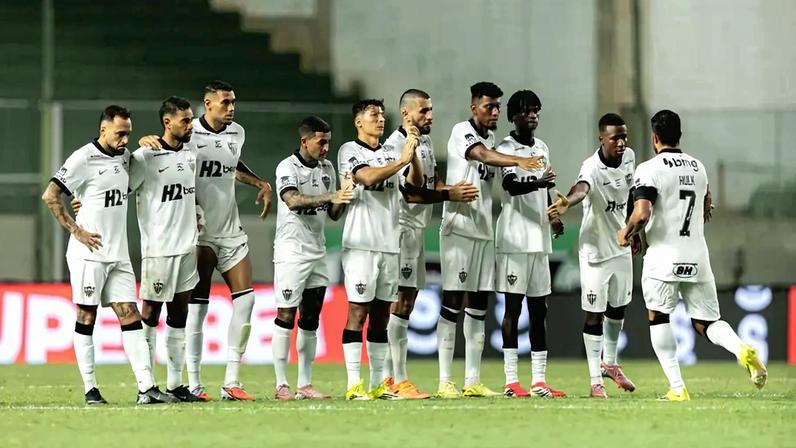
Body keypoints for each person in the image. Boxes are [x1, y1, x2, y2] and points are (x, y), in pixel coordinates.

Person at [618, 109, 767, 401]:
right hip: (697, 256)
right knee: (706, 323)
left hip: (663, 258)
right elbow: (707, 205)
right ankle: (741, 349)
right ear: (680, 136)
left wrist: (627, 232)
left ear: (654, 137)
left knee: (658, 317)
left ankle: (677, 387)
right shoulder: (698, 167)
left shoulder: (649, 168)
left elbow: (643, 211)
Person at [139, 80, 273, 401]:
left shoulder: (236, 133)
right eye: (226, 102)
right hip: (199, 235)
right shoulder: (188, 136)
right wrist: (147, 140)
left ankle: (231, 380)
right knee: (196, 309)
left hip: (231, 228)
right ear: (208, 104)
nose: (231, 108)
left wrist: (259, 182)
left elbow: (231, 165)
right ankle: (195, 382)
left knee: (247, 300)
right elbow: (163, 153)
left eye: (234, 102)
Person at [42, 105, 175, 405]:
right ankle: (91, 390)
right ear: (103, 130)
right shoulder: (82, 158)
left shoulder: (126, 158)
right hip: (89, 254)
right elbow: (50, 195)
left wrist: (141, 144)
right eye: (120, 133)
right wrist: (76, 230)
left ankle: (147, 388)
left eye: (128, 133)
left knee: (130, 315)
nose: (125, 139)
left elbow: (111, 193)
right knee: (86, 315)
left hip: (119, 255)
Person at [436, 82, 544, 398]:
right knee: (453, 302)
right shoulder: (462, 131)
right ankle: (445, 380)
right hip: (459, 228)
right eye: (488, 106)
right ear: (474, 107)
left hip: (484, 229)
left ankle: (472, 380)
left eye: (497, 106)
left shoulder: (493, 138)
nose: (494, 111)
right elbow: (480, 154)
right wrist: (517, 161)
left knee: (480, 305)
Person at [381, 89, 479, 399]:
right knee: (400, 303)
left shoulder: (422, 142)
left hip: (416, 230)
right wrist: (449, 195)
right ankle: (397, 380)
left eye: (431, 110)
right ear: (407, 114)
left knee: (405, 303)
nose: (430, 116)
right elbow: (410, 192)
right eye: (423, 111)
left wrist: (451, 188)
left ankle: (389, 379)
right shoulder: (396, 146)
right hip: (400, 229)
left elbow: (431, 183)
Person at [548, 113, 637, 398]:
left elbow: (633, 196)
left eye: (624, 136)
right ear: (602, 139)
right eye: (615, 138)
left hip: (621, 245)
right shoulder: (591, 167)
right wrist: (567, 203)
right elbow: (580, 190)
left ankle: (610, 363)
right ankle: (595, 380)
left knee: (618, 308)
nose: (621, 142)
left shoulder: (630, 157)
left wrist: (637, 232)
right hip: (595, 251)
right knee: (594, 315)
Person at [337, 99, 420, 400]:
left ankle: (377, 385)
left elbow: (414, 186)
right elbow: (367, 177)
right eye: (374, 115)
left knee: (382, 316)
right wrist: (401, 161)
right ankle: (353, 385)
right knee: (357, 312)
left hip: (389, 245)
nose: (380, 119)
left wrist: (413, 153)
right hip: (361, 245)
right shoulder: (349, 151)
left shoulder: (389, 152)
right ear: (359, 121)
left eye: (383, 115)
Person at [271, 116, 354, 400]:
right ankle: (281, 383)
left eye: (329, 141)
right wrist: (332, 195)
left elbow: (332, 214)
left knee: (310, 317)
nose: (326, 147)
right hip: (291, 251)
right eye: (321, 141)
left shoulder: (328, 168)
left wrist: (343, 197)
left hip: (317, 250)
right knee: (285, 315)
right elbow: (293, 201)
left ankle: (304, 383)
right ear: (304, 141)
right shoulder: (287, 166)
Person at [130, 97, 204, 402]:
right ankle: (146, 386)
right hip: (159, 249)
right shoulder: (145, 156)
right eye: (184, 121)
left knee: (179, 314)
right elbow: (118, 185)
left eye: (190, 119)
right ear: (167, 122)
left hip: (188, 248)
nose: (190, 125)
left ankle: (175, 385)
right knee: (150, 314)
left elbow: (190, 194)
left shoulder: (190, 154)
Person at [494, 90, 565, 398]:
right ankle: (511, 380)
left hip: (539, 239)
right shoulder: (506, 149)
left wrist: (553, 216)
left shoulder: (543, 148)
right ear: (512, 116)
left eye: (536, 110)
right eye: (525, 111)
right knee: (513, 309)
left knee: (539, 310)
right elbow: (510, 185)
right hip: (514, 237)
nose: (532, 115)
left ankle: (538, 381)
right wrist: (540, 183)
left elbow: (546, 191)